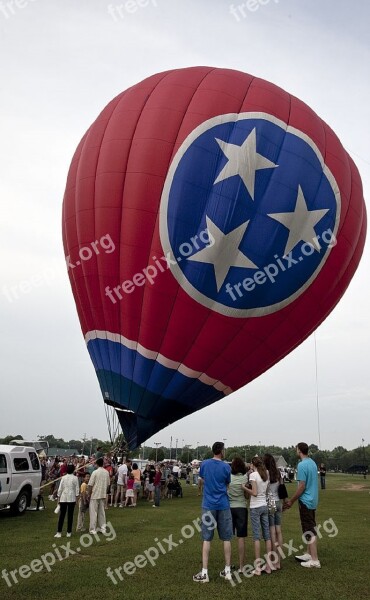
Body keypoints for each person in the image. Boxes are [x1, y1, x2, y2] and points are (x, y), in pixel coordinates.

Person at [193, 441, 232, 583]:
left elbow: (202, 479)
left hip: (208, 504)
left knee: (206, 538)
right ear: (221, 451)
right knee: (226, 538)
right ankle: (227, 571)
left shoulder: (204, 464)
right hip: (223, 504)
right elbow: (227, 484)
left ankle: (205, 573)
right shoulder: (226, 467)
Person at [284, 442, 320, 568]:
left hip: (306, 501)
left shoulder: (302, 465)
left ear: (299, 450)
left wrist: (291, 500)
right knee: (310, 526)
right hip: (313, 500)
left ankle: (314, 560)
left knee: (309, 529)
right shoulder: (312, 463)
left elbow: (302, 486)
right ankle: (309, 553)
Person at [242, 457, 273, 575]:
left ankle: (258, 567)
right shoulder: (266, 474)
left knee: (256, 536)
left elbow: (254, 493)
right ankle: (269, 566)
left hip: (255, 507)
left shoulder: (253, 475)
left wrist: (244, 488)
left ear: (253, 464)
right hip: (264, 505)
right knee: (267, 536)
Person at [228, 457, 248, 573]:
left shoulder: (229, 478)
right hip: (241, 508)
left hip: (230, 508)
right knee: (241, 537)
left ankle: (228, 564)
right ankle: (241, 566)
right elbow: (246, 495)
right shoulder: (245, 478)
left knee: (229, 538)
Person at [263, 454, 284, 569]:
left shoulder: (265, 473)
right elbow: (282, 488)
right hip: (278, 502)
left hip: (270, 503)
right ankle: (278, 561)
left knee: (272, 533)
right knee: (278, 531)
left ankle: (271, 560)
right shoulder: (278, 473)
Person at [54, 464, 79, 538]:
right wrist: (77, 499)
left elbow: (60, 488)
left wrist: (58, 497)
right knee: (70, 516)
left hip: (64, 497)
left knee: (62, 515)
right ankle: (69, 532)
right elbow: (77, 489)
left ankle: (59, 532)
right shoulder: (75, 478)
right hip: (71, 498)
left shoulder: (64, 478)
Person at [87, 457, 110, 534]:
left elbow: (90, 484)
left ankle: (93, 529)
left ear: (97, 464)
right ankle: (102, 528)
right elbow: (108, 484)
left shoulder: (95, 472)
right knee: (101, 512)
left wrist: (88, 494)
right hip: (102, 494)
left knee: (93, 512)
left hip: (95, 494)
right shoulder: (106, 472)